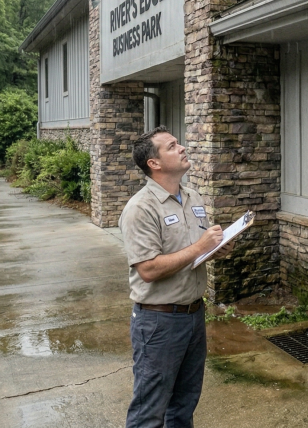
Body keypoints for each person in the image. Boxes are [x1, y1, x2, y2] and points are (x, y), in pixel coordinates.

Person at [120, 125, 235, 428]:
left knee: (184, 405)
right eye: (171, 146)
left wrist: (216, 249)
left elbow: (194, 253)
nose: (182, 147)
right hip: (159, 323)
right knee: (150, 411)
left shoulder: (193, 197)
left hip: (194, 315)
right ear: (153, 164)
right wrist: (200, 246)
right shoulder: (140, 209)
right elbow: (148, 269)